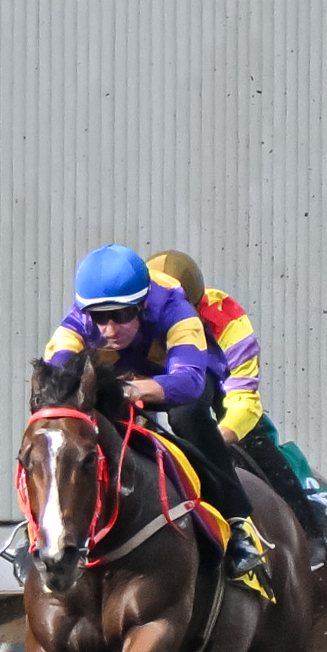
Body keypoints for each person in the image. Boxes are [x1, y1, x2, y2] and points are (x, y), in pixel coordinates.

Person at [40, 243, 262, 583]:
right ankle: (47, 529)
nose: (110, 330)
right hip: (127, 373)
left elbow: (187, 383)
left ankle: (237, 523)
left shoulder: (177, 309)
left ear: (143, 306)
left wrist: (136, 390)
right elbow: (54, 376)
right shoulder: (78, 320)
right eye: (100, 318)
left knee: (187, 416)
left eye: (122, 316)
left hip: (185, 376)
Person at [146, 249, 327, 560]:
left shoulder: (227, 319)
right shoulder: (131, 318)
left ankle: (309, 531)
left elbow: (243, 398)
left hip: (214, 381)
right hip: (152, 379)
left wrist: (216, 438)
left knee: (249, 438)